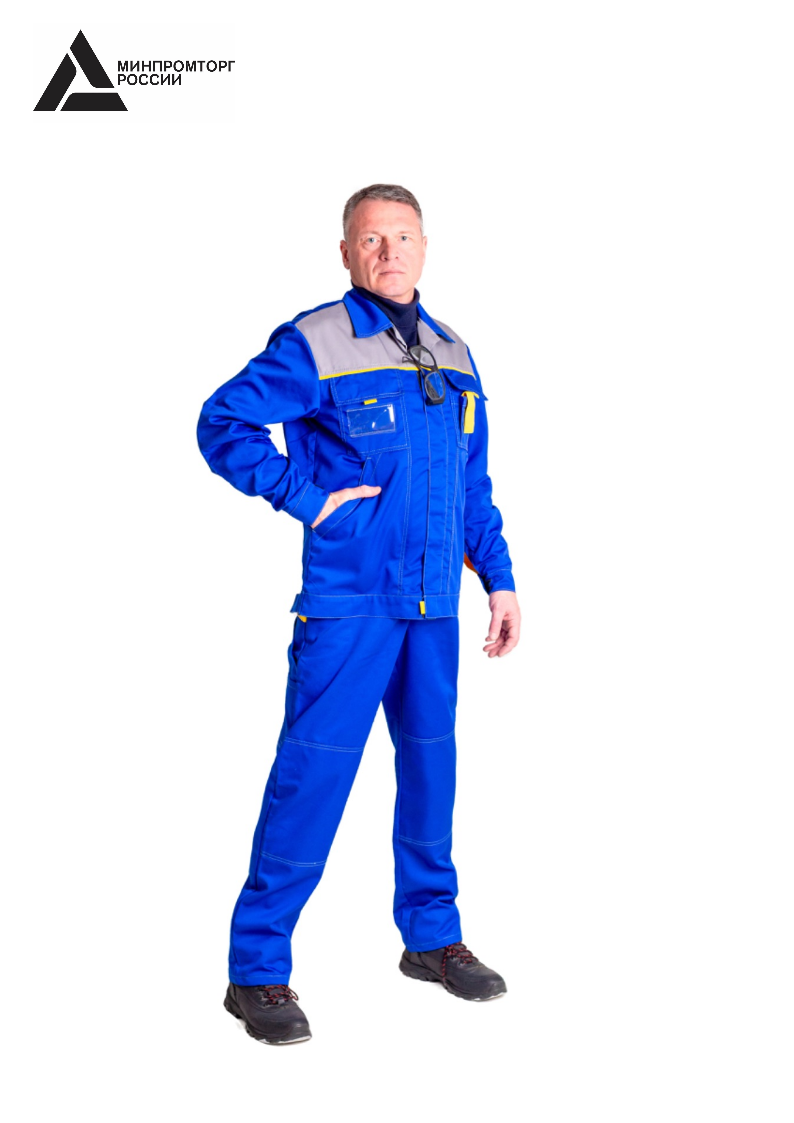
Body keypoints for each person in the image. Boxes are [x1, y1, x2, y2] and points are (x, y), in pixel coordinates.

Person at [196, 184, 521, 1046]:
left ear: (425, 247)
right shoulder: (315, 342)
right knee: (311, 781)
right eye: (371, 238)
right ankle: (256, 970)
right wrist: (306, 499)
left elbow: (472, 484)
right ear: (346, 252)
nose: (389, 252)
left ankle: (432, 937)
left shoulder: (454, 353)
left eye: (403, 236)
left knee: (432, 776)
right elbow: (222, 421)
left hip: (433, 608)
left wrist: (498, 579)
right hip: (350, 606)